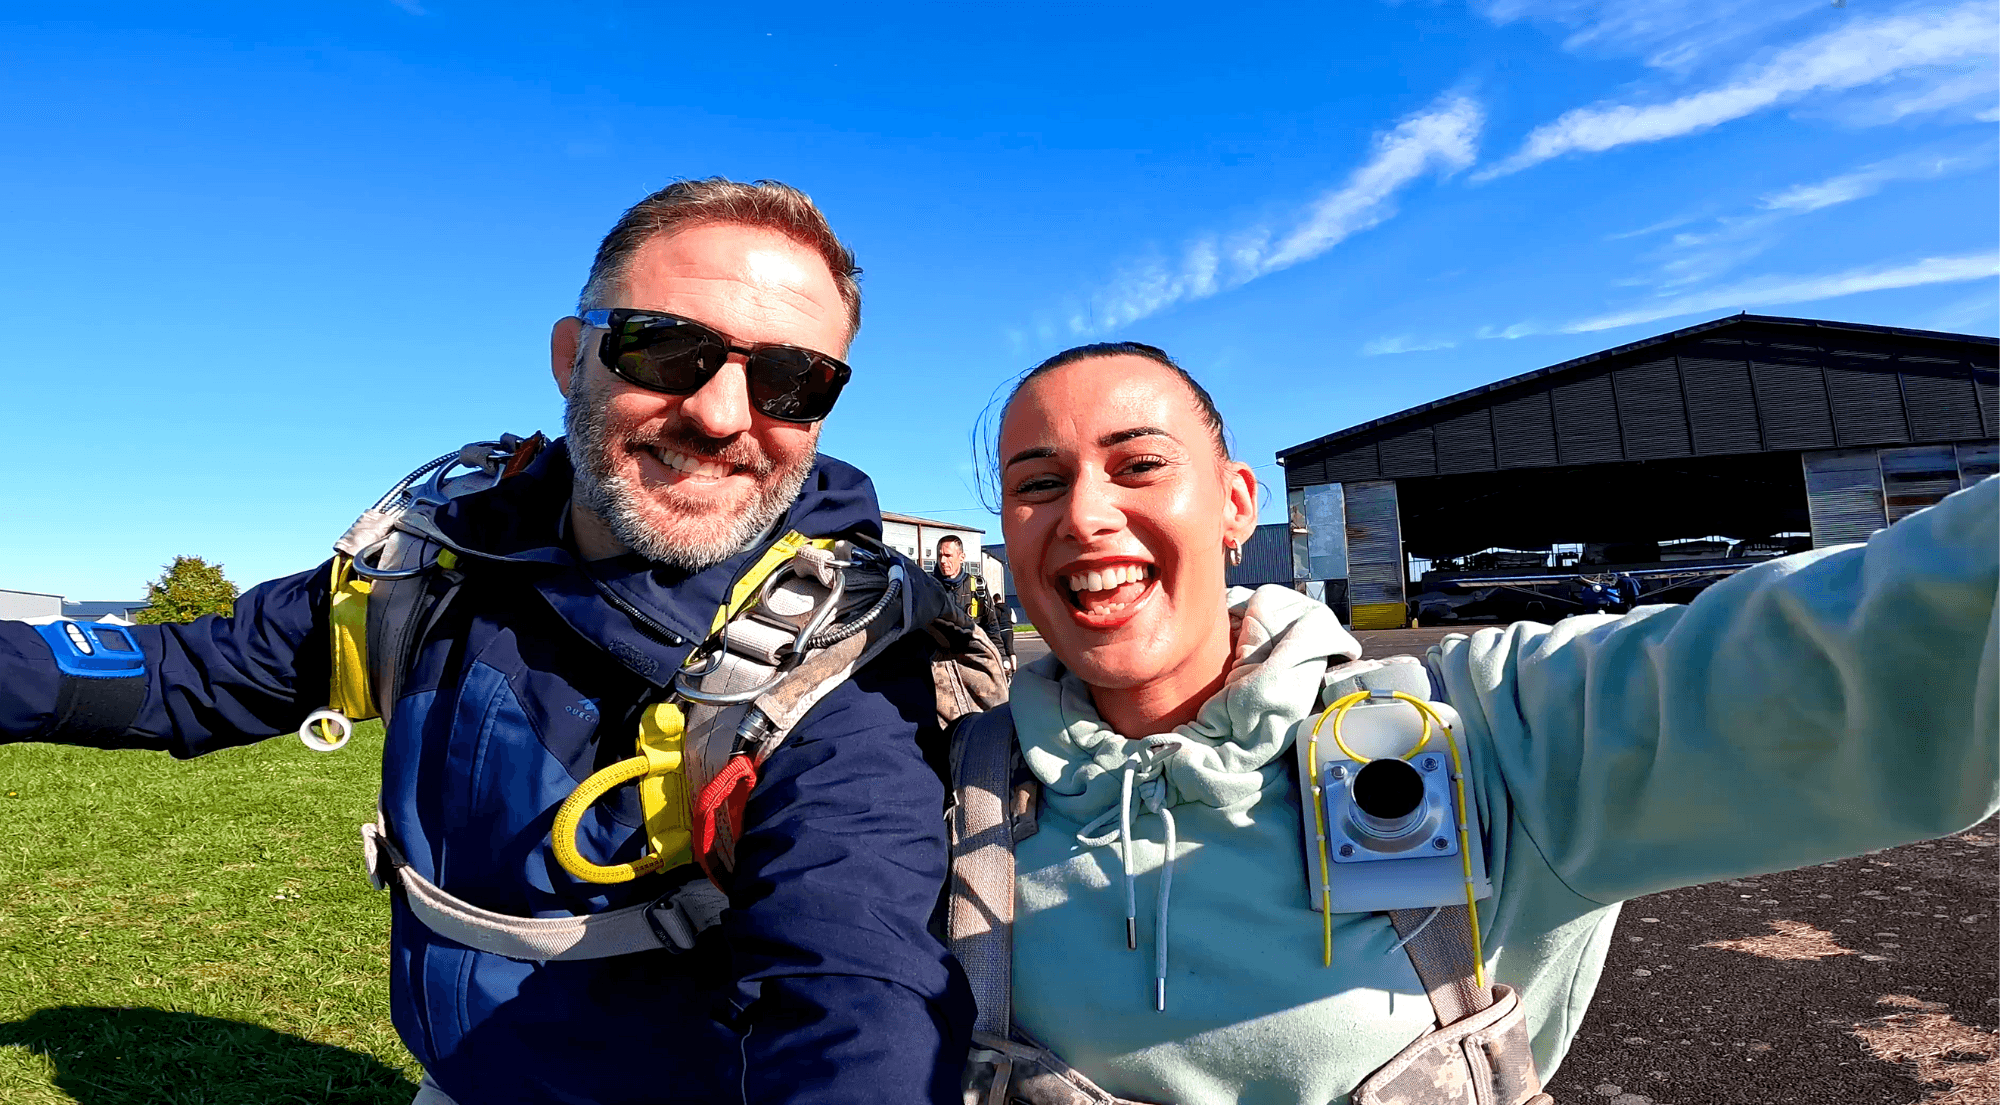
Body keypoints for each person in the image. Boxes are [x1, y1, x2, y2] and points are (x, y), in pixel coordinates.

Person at [0, 179, 975, 1105]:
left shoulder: (838, 667)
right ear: (571, 356)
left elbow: (860, 984)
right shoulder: (437, 558)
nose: (723, 415)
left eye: (792, 380)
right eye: (665, 349)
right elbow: (189, 670)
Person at [963, 341, 1995, 1105]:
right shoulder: (949, 797)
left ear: (1235, 505)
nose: (1084, 514)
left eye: (1137, 464)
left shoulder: (1483, 737)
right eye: (1037, 484)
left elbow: (1874, 642)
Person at [935, 535, 1015, 674]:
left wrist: (1002, 656)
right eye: (940, 555)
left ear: (961, 557)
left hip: (971, 664)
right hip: (939, 667)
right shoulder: (929, 588)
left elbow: (991, 626)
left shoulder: (978, 588)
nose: (943, 561)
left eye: (948, 555)